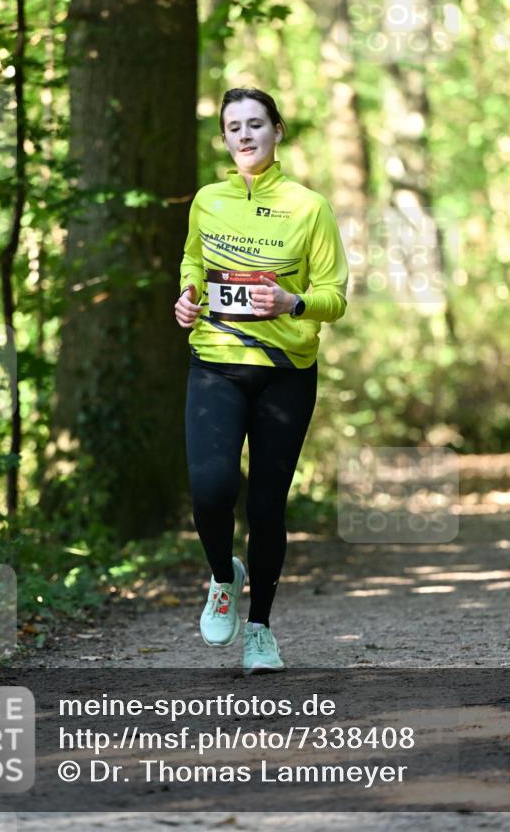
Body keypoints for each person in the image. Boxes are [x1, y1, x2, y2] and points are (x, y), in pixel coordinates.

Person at [174, 87, 349, 675]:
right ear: (224, 138)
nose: (244, 135)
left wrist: (292, 301)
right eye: (233, 127)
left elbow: (334, 298)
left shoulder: (309, 207)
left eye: (255, 124)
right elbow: (192, 262)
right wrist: (188, 296)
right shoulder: (207, 200)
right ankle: (224, 577)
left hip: (286, 374)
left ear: (278, 131)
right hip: (215, 363)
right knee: (211, 489)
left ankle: (260, 631)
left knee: (268, 506)